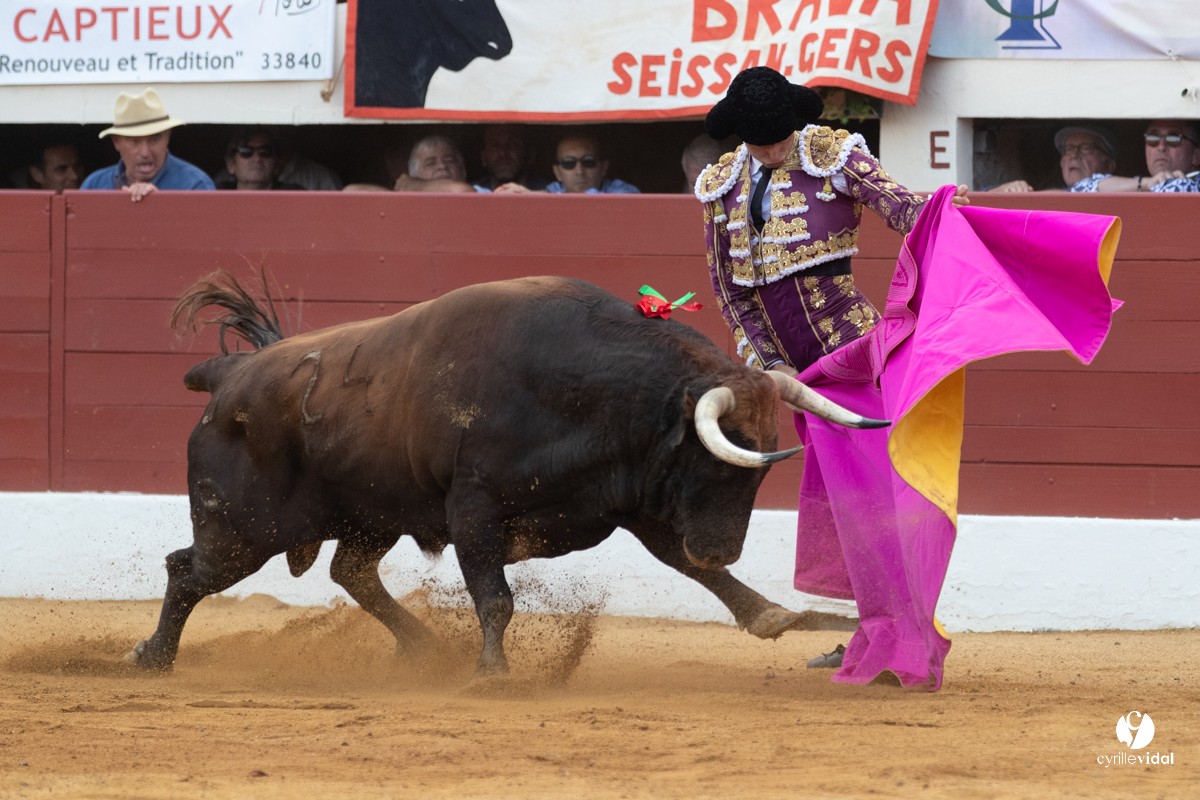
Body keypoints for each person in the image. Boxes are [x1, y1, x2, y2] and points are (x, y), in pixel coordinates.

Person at [695, 66, 968, 677]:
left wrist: (946, 211)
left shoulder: (832, 155)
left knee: (879, 503)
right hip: (800, 379)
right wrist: (769, 367)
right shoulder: (720, 185)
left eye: (778, 137)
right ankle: (874, 634)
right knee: (847, 511)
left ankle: (904, 642)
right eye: (759, 141)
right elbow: (731, 292)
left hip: (855, 359)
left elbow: (904, 209)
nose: (771, 150)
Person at [81, 88, 214, 201]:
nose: (145, 152)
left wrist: (159, 204)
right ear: (116, 142)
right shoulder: (94, 186)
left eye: (154, 139)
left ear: (168, 137)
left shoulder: (195, 186)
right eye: (135, 141)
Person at [1070, 119, 1200, 193]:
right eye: (1152, 138)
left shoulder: (1189, 186)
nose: (1161, 147)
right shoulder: (1146, 183)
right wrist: (1145, 183)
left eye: (1173, 138)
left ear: (1197, 156)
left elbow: (1177, 188)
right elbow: (1081, 188)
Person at [989, 125, 1119, 193]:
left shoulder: (1117, 189)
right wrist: (1006, 190)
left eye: (1086, 148)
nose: (1074, 155)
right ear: (1061, 162)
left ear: (1109, 165)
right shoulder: (1051, 193)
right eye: (1068, 149)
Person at [545, 134, 640, 194]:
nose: (579, 171)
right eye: (568, 163)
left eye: (588, 161)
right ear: (557, 172)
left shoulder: (623, 191)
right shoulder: (552, 190)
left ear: (604, 168)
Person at [473, 124, 547, 193]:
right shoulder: (473, 192)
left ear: (530, 155)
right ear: (483, 157)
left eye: (513, 145)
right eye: (495, 146)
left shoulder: (548, 191)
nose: (503, 153)